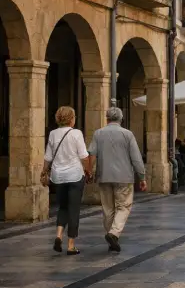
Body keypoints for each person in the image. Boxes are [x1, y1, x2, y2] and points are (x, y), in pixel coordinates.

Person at [90, 107, 147, 253]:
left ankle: (112, 238)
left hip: (104, 176)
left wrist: (91, 171)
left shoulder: (98, 133)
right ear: (121, 119)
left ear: (107, 118)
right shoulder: (128, 134)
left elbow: (92, 154)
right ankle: (113, 233)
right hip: (124, 177)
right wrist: (142, 176)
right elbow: (136, 158)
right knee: (124, 206)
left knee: (108, 209)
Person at [42, 106, 93, 256]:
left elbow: (48, 157)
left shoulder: (52, 134)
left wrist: (44, 171)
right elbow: (84, 156)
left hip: (58, 177)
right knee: (74, 209)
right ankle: (71, 245)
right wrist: (89, 171)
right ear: (72, 119)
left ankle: (58, 236)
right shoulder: (76, 133)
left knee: (63, 207)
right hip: (75, 176)